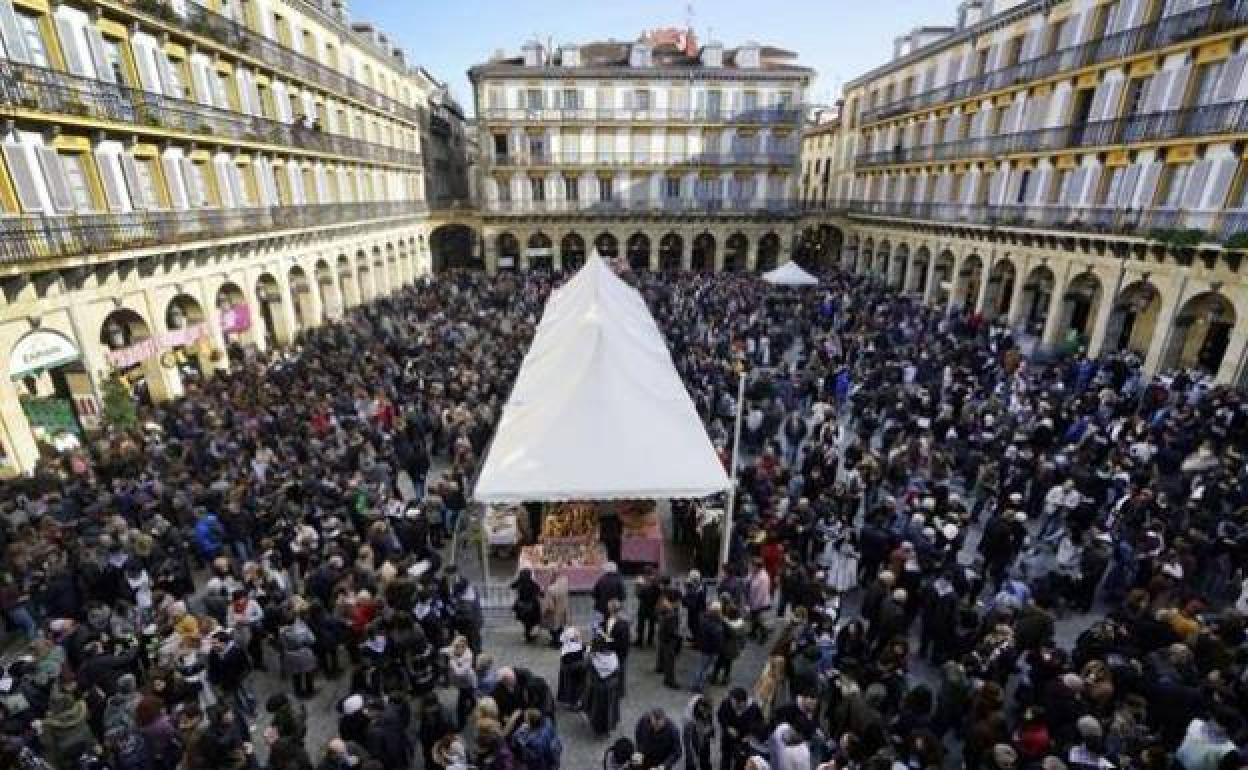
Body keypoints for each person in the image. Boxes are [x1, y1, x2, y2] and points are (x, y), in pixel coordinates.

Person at [583, 634, 621, 736]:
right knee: (610, 708)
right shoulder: (613, 656)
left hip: (598, 688)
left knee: (598, 710)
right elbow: (617, 671)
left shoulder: (593, 659)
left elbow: (586, 667)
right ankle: (608, 727)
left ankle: (598, 728)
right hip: (611, 687)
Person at [717, 688, 764, 770]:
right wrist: (727, 727)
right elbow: (721, 715)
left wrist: (750, 735)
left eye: (735, 703)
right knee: (725, 758)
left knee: (740, 761)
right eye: (732, 701)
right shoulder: (726, 703)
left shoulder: (753, 708)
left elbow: (759, 723)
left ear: (743, 702)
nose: (733, 705)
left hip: (743, 740)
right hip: (728, 737)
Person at [657, 590, 683, 689]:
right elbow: (672, 631)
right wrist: (678, 636)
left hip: (663, 638)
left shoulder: (664, 608)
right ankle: (669, 680)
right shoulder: (672, 614)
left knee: (666, 658)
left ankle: (663, 672)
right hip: (669, 641)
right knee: (670, 661)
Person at [511, 568, 544, 643]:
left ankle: (527, 634)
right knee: (531, 621)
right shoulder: (532, 583)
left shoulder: (519, 582)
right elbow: (540, 593)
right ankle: (528, 635)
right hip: (531, 606)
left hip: (521, 606)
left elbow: (512, 586)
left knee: (525, 621)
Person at [556, 627, 586, 708]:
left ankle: (570, 701)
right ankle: (575, 702)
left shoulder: (566, 647)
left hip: (570, 669)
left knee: (570, 686)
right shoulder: (579, 645)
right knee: (576, 686)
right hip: (576, 668)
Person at [682, 695, 715, 770]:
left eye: (708, 711)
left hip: (701, 731)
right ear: (701, 707)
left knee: (705, 755)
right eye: (705, 711)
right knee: (691, 757)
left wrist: (710, 732)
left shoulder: (706, 706)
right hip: (691, 730)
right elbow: (689, 739)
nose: (706, 713)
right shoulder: (690, 716)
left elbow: (710, 720)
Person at [542, 574, 570, 647]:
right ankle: (560, 640)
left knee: (553, 628)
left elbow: (550, 606)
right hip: (563, 610)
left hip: (554, 613)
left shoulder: (550, 589)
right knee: (561, 626)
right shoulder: (564, 585)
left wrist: (544, 612)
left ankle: (555, 642)